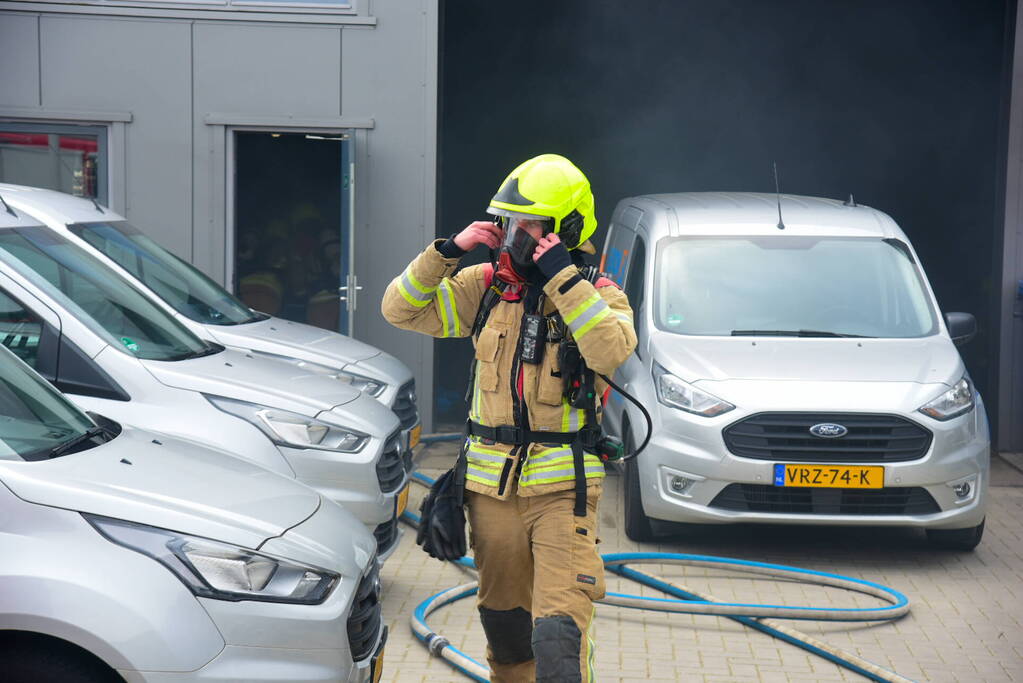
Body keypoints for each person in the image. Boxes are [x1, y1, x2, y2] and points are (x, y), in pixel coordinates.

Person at [382, 154, 636, 682]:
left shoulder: (598, 294)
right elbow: (400, 309)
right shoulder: (486, 286)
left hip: (563, 492)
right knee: (507, 632)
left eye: (529, 224)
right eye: (509, 221)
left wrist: (563, 279)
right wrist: (447, 252)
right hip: (489, 490)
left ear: (567, 229)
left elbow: (611, 350)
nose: (514, 233)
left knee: (558, 639)